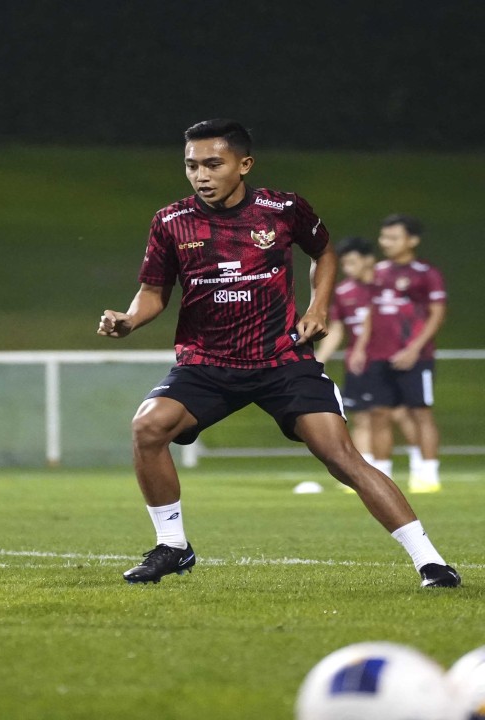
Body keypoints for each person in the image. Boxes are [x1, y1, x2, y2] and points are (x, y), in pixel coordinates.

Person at [96, 119, 459, 589]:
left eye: (212, 164)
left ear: (243, 164)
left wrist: (319, 306)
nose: (200, 175)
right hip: (208, 363)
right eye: (191, 166)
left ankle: (430, 561)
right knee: (148, 426)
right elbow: (152, 293)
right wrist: (129, 320)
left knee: (340, 455)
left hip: (282, 361)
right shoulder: (171, 221)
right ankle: (173, 546)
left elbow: (323, 252)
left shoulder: (282, 209)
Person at [355, 214, 447, 494]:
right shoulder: (378, 272)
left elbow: (437, 314)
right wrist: (361, 347)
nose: (386, 242)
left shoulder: (426, 274)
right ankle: (383, 477)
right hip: (379, 357)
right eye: (384, 237)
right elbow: (370, 312)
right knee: (379, 414)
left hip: (415, 357)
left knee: (421, 413)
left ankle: (427, 475)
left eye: (394, 237)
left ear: (412, 240)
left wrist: (413, 349)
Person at [314, 236, 393, 480]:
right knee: (361, 417)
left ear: (369, 260)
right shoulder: (345, 291)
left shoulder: (389, 287)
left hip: (388, 362)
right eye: (344, 264)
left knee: (387, 417)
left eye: (352, 262)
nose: (348, 269)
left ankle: (391, 472)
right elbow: (336, 329)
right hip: (359, 365)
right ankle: (366, 474)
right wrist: (318, 360)